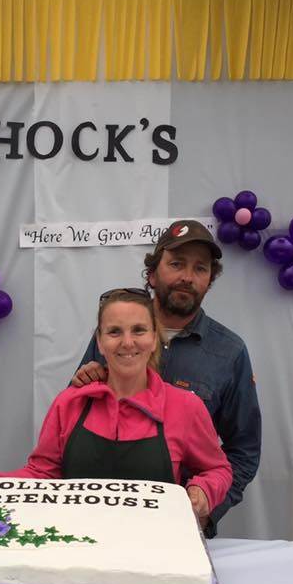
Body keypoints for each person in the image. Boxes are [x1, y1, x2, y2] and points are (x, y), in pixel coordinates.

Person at [0, 289, 232, 525]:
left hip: (155, 554)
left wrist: (204, 491)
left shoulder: (185, 406)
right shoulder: (70, 403)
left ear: (153, 339)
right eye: (115, 332)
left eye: (138, 330)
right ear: (100, 343)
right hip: (76, 550)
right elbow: (40, 475)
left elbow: (218, 469)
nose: (127, 342)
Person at [71, 220, 260, 537]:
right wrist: (83, 386)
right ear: (152, 274)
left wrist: (207, 510)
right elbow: (73, 426)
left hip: (179, 533)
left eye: (200, 268)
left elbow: (244, 451)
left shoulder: (230, 353)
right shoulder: (115, 335)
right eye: (176, 264)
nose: (188, 276)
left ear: (209, 281)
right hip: (98, 520)